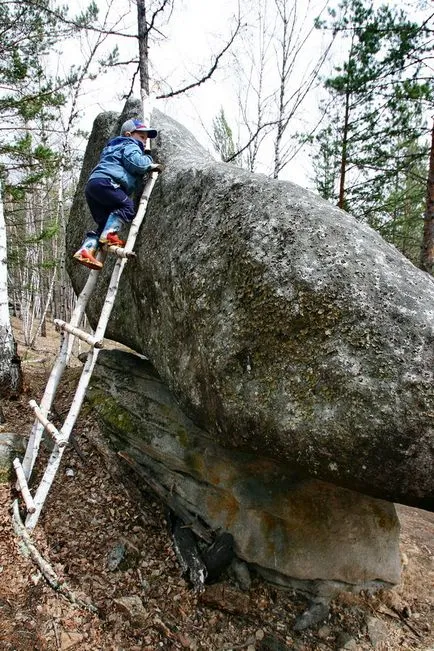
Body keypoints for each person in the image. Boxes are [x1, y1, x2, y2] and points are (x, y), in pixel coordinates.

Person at [73, 118, 162, 270]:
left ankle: (86, 250)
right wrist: (148, 159)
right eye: (141, 137)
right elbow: (136, 163)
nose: (144, 141)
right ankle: (109, 236)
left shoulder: (112, 147)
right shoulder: (129, 145)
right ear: (128, 134)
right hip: (107, 183)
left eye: (145, 139)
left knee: (104, 223)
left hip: (94, 185)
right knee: (127, 206)